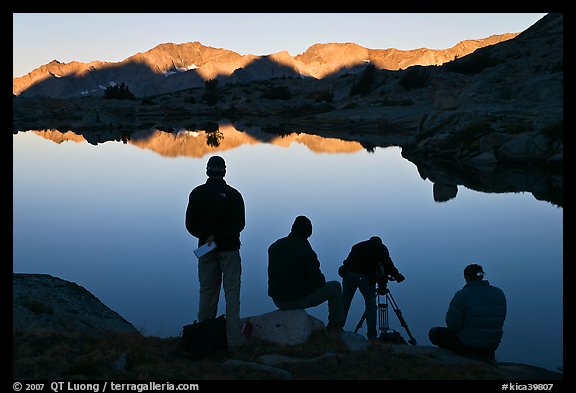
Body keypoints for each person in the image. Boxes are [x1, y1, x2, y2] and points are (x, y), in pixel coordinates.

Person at [185, 155, 246, 347]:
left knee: (207, 292)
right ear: (225, 171)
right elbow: (240, 224)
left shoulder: (197, 193)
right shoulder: (234, 195)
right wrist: (219, 238)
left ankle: (203, 338)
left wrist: (207, 237)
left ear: (207, 171)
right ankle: (234, 341)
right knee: (232, 293)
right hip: (229, 250)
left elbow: (190, 225)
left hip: (205, 250)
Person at [267, 215, 346, 332]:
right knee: (335, 287)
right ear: (308, 233)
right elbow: (318, 281)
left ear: (293, 228)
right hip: (295, 300)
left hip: (278, 300)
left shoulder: (275, 246)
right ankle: (335, 328)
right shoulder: (306, 251)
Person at [428, 263, 507, 361]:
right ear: (481, 276)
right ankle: (486, 356)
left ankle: (462, 356)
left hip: (469, 345)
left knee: (434, 333)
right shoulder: (499, 293)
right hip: (492, 345)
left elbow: (452, 325)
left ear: (466, 277)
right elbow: (501, 319)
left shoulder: (462, 295)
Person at [338, 236, 405, 340]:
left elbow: (347, 262)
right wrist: (397, 276)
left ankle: (337, 328)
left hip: (349, 275)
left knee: (344, 303)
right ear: (379, 242)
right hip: (364, 277)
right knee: (371, 306)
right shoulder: (381, 247)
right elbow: (387, 263)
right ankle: (372, 336)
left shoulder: (357, 246)